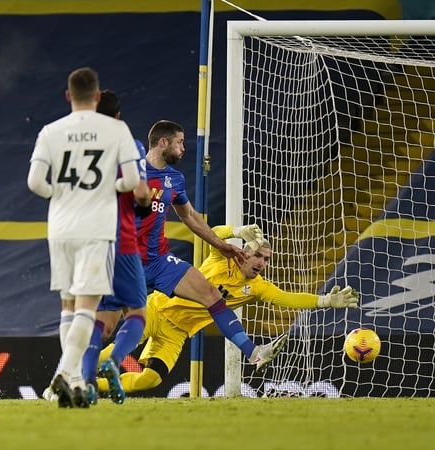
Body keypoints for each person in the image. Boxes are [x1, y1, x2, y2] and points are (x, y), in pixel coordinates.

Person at [96, 225, 360, 393]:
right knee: (117, 352)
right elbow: (215, 232)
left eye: (266, 259)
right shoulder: (222, 258)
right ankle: (73, 372)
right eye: (258, 255)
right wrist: (237, 230)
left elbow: (287, 298)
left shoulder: (257, 287)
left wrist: (324, 301)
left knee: (149, 380)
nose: (262, 263)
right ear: (244, 251)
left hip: (177, 333)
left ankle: (90, 387)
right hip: (157, 309)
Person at [134, 120, 288, 376]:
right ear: (163, 142)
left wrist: (223, 245)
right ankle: (73, 377)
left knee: (212, 296)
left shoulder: (175, 179)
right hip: (127, 262)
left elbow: (190, 217)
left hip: (159, 261)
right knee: (108, 328)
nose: (183, 148)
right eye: (179, 142)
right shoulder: (131, 172)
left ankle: (253, 353)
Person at [27, 67, 142, 408]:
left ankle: (75, 381)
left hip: (60, 226)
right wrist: (110, 188)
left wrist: (61, 194)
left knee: (67, 304)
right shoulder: (116, 129)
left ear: (68, 96)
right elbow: (132, 180)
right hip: (96, 227)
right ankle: (64, 374)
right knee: (87, 308)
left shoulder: (51, 131)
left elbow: (35, 183)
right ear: (96, 97)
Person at [78, 89, 151, 405]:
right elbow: (142, 193)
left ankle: (85, 382)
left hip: (86, 239)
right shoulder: (127, 144)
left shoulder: (78, 146)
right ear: (118, 116)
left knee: (103, 319)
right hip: (120, 239)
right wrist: (146, 204)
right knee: (137, 311)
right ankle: (115, 359)